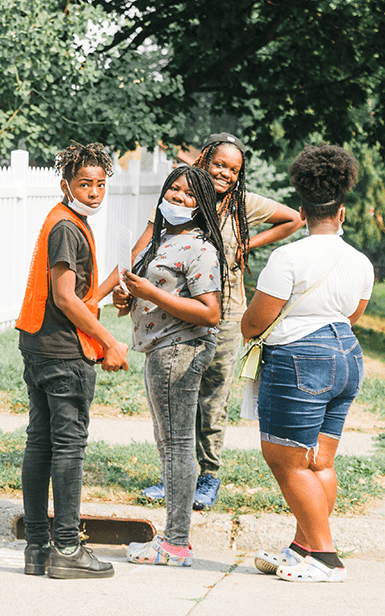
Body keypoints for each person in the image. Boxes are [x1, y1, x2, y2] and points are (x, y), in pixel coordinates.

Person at [125, 133, 303, 509]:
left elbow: (293, 219)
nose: (225, 173)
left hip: (225, 312)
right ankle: (175, 474)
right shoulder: (183, 194)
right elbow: (145, 242)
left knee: (213, 395)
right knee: (175, 393)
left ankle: (208, 477)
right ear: (204, 158)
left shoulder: (243, 205)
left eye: (233, 169)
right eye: (219, 164)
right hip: (176, 310)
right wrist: (127, 282)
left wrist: (243, 245)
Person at [241, 144, 372, 583]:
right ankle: (303, 547)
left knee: (286, 461)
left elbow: (254, 322)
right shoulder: (360, 261)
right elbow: (353, 315)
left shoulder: (288, 257)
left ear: (302, 210)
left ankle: (326, 558)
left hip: (300, 359)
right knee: (319, 462)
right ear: (342, 213)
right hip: (346, 356)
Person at [17, 143, 130, 580]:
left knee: (40, 443)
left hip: (38, 345)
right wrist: (108, 342)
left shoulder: (63, 220)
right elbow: (64, 296)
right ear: (66, 184)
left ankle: (36, 550)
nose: (95, 192)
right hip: (64, 353)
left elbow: (75, 293)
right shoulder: (67, 227)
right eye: (85, 184)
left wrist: (105, 290)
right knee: (67, 448)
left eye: (101, 184)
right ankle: (66, 547)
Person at [120, 166, 226, 567]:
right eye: (174, 190)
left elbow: (209, 312)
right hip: (160, 350)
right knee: (168, 443)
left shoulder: (199, 248)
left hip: (179, 350)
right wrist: (132, 299)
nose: (179, 198)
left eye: (189, 194)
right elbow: (158, 291)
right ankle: (173, 539)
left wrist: (150, 293)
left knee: (178, 444)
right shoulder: (166, 239)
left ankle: (176, 543)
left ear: (202, 205)